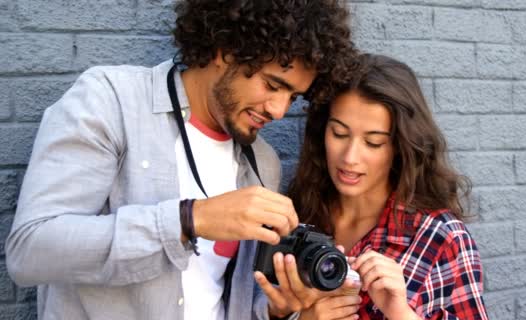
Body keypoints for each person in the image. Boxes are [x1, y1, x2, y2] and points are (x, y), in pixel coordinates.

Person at [5, 1, 357, 319]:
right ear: (228, 50)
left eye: (293, 96)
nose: (279, 111)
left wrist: (276, 310)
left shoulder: (263, 163)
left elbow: (223, 295)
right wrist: (191, 218)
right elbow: (31, 251)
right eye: (272, 85)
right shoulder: (111, 102)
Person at [285, 54, 489, 320]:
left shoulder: (441, 238)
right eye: (339, 134)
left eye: (373, 142)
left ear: (400, 147)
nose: (350, 157)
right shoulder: (298, 215)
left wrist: (399, 313)